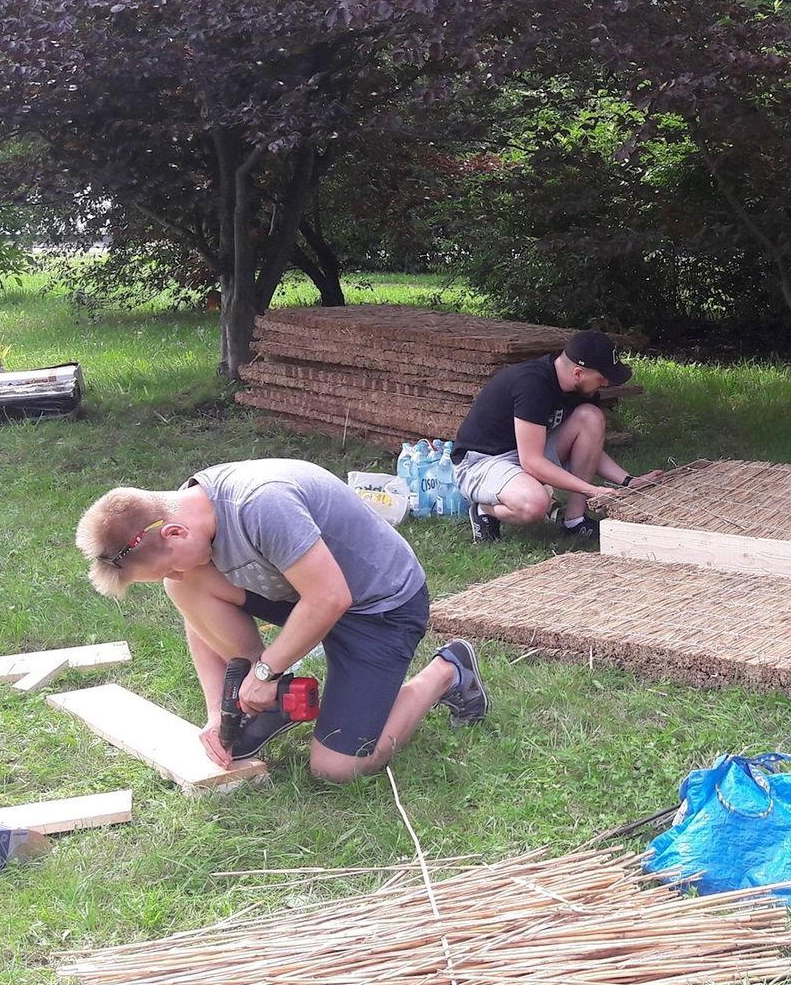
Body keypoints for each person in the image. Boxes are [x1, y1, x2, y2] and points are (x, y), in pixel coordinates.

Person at [75, 458, 489, 783]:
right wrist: (218, 712)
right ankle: (266, 702)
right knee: (188, 589)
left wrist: (266, 670)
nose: (176, 575)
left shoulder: (261, 504)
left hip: (378, 608)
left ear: (174, 533)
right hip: (306, 593)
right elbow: (198, 618)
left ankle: (447, 671)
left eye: (169, 566)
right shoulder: (191, 514)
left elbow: (331, 597)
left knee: (336, 768)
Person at [453, 329, 660, 544]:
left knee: (591, 417)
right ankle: (484, 510)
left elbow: (589, 448)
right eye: (602, 377)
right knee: (535, 503)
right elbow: (532, 462)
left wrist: (628, 480)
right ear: (578, 373)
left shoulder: (581, 390)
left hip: (525, 451)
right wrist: (591, 489)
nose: (606, 383)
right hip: (480, 462)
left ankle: (575, 521)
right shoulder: (533, 385)